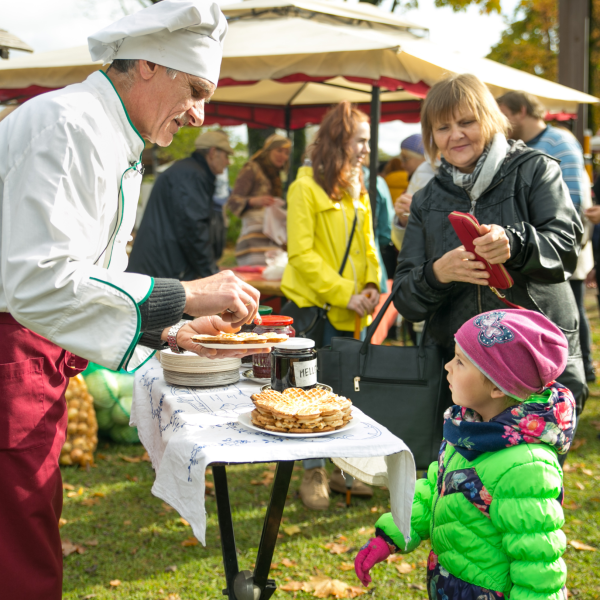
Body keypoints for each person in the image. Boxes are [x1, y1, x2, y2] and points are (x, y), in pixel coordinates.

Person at [0, 2, 265, 598]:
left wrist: (168, 328)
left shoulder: (106, 134)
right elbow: (39, 281)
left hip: (34, 358)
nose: (199, 115)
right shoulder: (69, 126)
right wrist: (185, 295)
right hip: (13, 356)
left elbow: (93, 277)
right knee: (17, 555)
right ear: (147, 65)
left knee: (28, 533)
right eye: (195, 91)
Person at [392, 73, 587, 424]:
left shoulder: (535, 170)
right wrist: (437, 274)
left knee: (530, 459)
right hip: (460, 383)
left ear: (490, 119)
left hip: (534, 366)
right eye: (443, 127)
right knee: (464, 461)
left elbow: (566, 250)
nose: (455, 135)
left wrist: (516, 244)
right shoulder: (425, 200)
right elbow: (405, 299)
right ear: (431, 136)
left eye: (467, 122)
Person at [354, 309, 575, 599]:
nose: (447, 366)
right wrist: (392, 536)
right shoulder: (469, 429)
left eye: (460, 361)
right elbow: (436, 490)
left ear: (497, 386)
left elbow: (537, 566)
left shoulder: (526, 466)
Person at [281, 101, 382, 511]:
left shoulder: (360, 187)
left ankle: (344, 467)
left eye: (367, 142)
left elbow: (369, 245)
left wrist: (372, 283)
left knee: (346, 390)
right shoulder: (304, 188)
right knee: (309, 392)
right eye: (360, 141)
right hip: (316, 310)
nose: (366, 150)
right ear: (338, 142)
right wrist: (345, 292)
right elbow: (301, 255)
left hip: (352, 310)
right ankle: (313, 470)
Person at [497, 91, 596, 382]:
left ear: (520, 111)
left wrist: (555, 242)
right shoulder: (519, 146)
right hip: (528, 249)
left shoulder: (558, 141)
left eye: (503, 113)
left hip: (557, 244)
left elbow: (573, 201)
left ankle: (580, 368)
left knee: (569, 305)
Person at [128, 129, 233, 280]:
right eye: (226, 155)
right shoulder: (192, 175)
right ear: (212, 152)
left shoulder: (189, 171)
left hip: (160, 265)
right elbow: (194, 228)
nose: (228, 162)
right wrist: (212, 274)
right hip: (161, 269)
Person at [225, 134, 291, 265]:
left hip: (271, 235)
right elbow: (232, 202)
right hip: (253, 237)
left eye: (286, 153)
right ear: (268, 151)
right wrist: (254, 201)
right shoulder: (252, 168)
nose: (283, 156)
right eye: (279, 150)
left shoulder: (276, 176)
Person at [391, 133, 437, 250]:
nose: (402, 164)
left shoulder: (423, 176)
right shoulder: (416, 180)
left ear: (423, 157)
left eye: (405, 158)